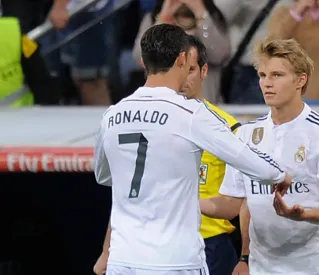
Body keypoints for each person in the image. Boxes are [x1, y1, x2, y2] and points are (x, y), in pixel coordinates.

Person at [93, 24, 292, 275]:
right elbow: (245, 156)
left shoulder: (112, 114)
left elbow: (104, 176)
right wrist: (279, 175)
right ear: (183, 59)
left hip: (123, 261)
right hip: (174, 261)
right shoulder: (190, 114)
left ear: (143, 62)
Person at [200, 38, 319, 275]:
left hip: (316, 266)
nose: (266, 84)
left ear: (300, 80)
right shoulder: (246, 134)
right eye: (262, 75)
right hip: (264, 268)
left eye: (277, 75)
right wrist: (245, 256)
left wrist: (304, 214)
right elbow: (233, 204)